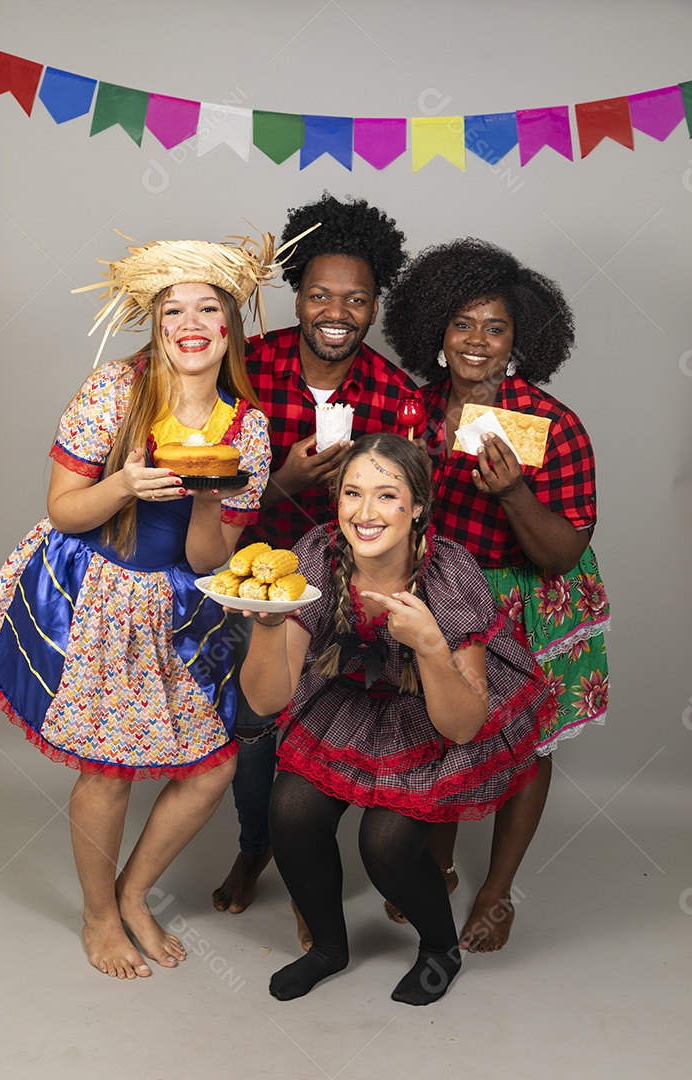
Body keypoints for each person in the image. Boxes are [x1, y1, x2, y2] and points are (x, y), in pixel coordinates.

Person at [0, 233, 285, 978]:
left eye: (208, 306)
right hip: (94, 589)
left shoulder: (249, 429)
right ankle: (98, 916)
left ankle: (133, 893)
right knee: (107, 772)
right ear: (155, 323)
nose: (191, 321)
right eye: (172, 308)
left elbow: (210, 561)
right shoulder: (114, 389)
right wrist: (124, 485)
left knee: (209, 767)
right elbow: (63, 509)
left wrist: (208, 501)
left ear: (230, 324)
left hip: (178, 606)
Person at [237, 433, 555, 1005]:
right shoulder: (314, 556)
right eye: (352, 493)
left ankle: (439, 949)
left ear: (417, 509)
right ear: (335, 500)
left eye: (387, 496)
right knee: (290, 809)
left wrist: (431, 644)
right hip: (347, 699)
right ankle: (328, 949)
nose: (365, 513)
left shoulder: (448, 573)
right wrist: (266, 623)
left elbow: (463, 723)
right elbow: (265, 701)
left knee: (385, 844)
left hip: (434, 712)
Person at [382, 237, 610, 952]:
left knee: (527, 747)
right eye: (462, 324)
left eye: (496, 327)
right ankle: (441, 862)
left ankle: (497, 889)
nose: (477, 341)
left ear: (520, 340)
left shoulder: (553, 426)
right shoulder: (409, 414)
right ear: (436, 333)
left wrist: (512, 492)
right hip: (446, 594)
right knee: (444, 731)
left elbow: (561, 552)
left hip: (528, 599)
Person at [213, 194, 425, 925]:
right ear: (296, 297)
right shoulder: (247, 368)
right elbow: (202, 485)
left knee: (341, 721)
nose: (337, 311)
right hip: (258, 582)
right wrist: (282, 484)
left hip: (348, 590)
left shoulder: (397, 398)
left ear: (374, 308)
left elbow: (409, 512)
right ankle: (255, 844)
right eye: (320, 294)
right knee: (255, 725)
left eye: (356, 299)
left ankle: (313, 872)